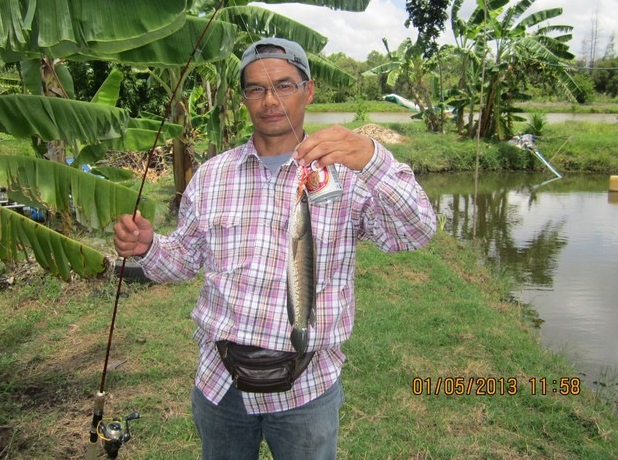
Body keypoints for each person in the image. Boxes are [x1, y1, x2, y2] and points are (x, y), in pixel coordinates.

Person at [113, 37, 436, 459]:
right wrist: (148, 246)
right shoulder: (212, 175)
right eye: (256, 89)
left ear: (309, 90)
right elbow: (184, 259)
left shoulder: (344, 175)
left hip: (307, 388)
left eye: (284, 85)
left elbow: (416, 232)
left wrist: (374, 159)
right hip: (220, 385)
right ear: (244, 98)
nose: (270, 100)